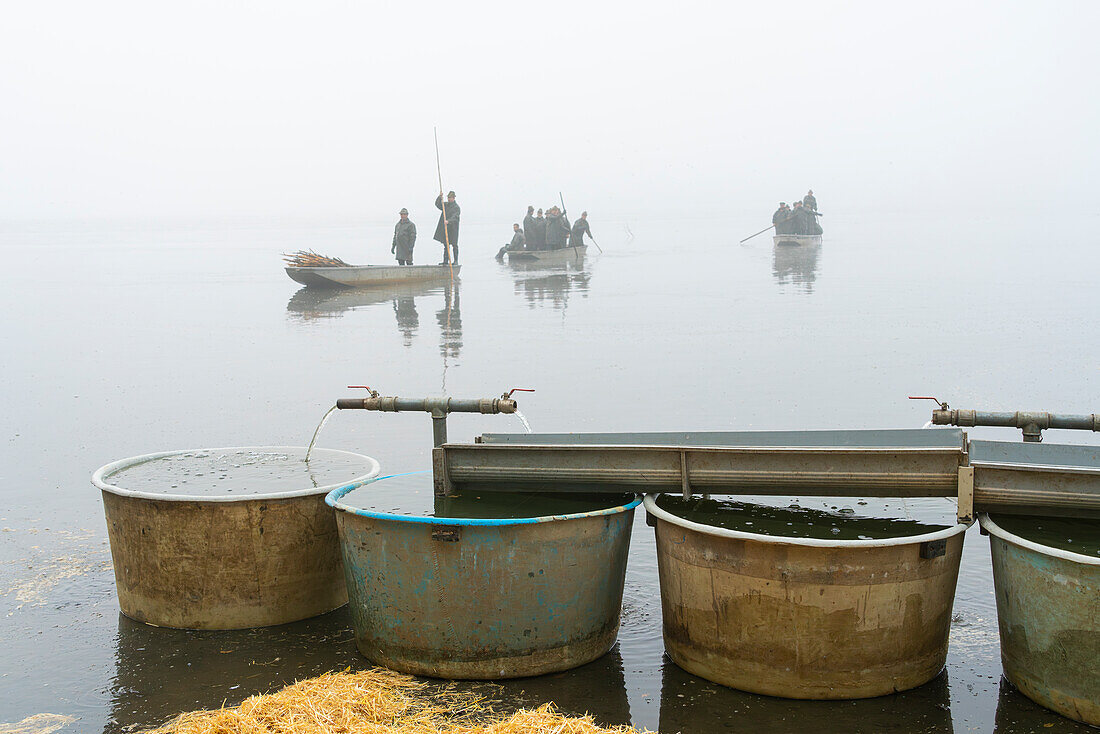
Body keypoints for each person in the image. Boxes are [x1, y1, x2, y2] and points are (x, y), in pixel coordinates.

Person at [434, 191, 461, 264]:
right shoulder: (445, 205)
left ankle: (455, 261)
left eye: (450, 198)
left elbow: (455, 217)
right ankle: (445, 261)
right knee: (446, 245)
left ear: (454, 198)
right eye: (448, 198)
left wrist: (448, 221)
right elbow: (438, 205)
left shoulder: (456, 207)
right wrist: (440, 197)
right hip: (446, 229)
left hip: (453, 229)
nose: (449, 199)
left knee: (454, 245)